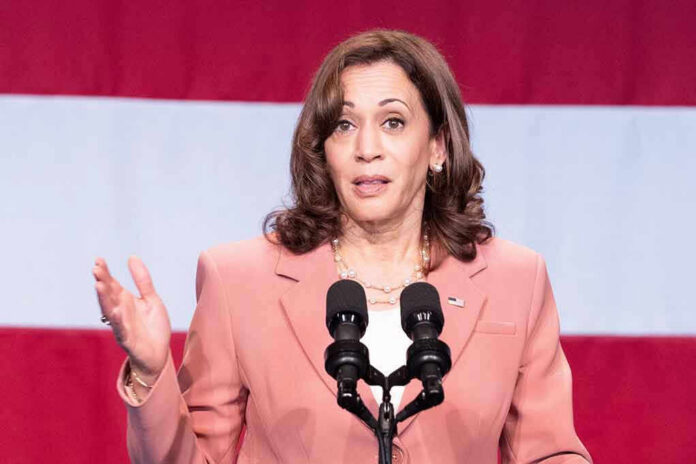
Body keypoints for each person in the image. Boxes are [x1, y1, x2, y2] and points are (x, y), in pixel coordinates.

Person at [93, 29, 592, 464]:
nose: (365, 148)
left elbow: (549, 453)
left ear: (438, 146)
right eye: (344, 125)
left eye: (393, 122)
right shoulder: (239, 280)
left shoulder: (514, 280)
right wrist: (150, 370)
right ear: (323, 149)